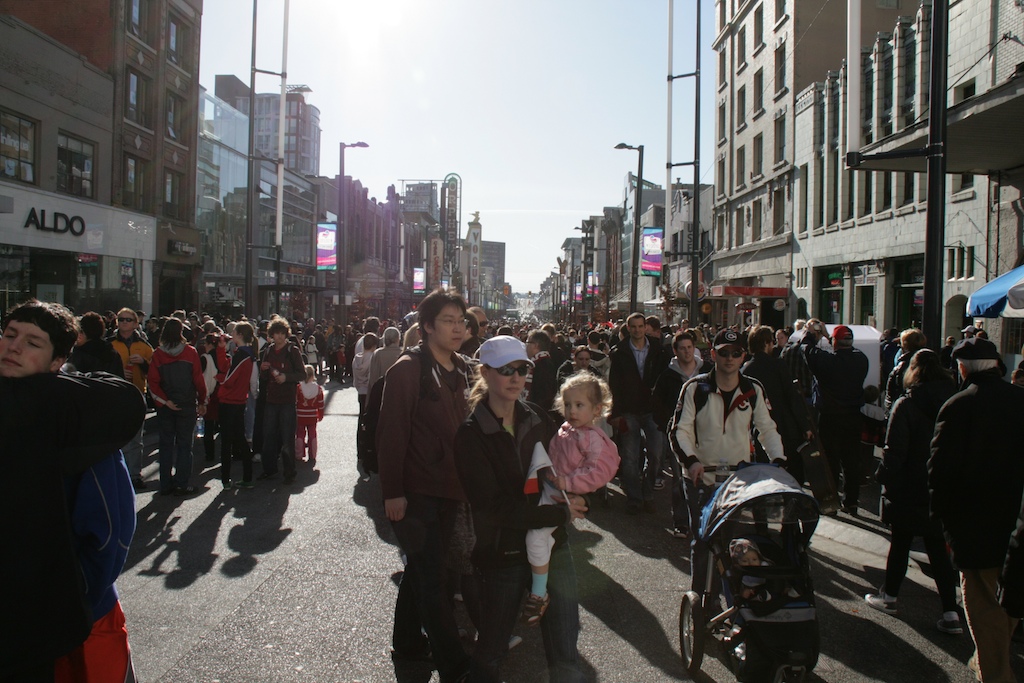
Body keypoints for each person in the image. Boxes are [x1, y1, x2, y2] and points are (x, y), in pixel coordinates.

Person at [0, 300, 146, 682]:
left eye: (33, 342)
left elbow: (111, 530)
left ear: (56, 362)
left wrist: (75, 596)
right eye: (10, 335)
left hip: (67, 617)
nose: (14, 346)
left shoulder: (83, 421)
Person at [454, 336, 588, 683]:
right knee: (492, 649)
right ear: (484, 372)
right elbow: (492, 507)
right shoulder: (470, 435)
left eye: (522, 369)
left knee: (564, 647)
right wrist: (557, 514)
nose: (516, 377)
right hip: (503, 549)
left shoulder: (537, 418)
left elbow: (554, 475)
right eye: (506, 370)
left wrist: (570, 495)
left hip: (553, 542)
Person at [377, 290, 473, 682]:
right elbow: (391, 434)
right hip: (417, 490)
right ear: (427, 326)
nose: (457, 328)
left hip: (450, 488)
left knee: (423, 571)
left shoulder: (462, 369)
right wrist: (392, 492)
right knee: (433, 578)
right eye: (448, 320)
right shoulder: (407, 369)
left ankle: (409, 644)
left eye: (461, 321)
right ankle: (455, 664)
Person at [930, 337, 1024, 682]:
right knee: (1009, 598)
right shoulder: (1020, 400)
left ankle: (994, 672)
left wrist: (941, 521)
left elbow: (940, 472)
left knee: (984, 609)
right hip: (1016, 525)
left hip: (975, 527)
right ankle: (987, 661)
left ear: (963, 368)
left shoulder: (958, 406)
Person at [669, 328, 785, 592]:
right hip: (701, 477)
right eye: (723, 353)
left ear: (743, 356)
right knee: (702, 540)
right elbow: (679, 431)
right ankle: (702, 601)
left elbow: (767, 428)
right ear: (713, 354)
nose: (729, 359)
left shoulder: (752, 389)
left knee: (733, 541)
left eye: (735, 353)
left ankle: (731, 600)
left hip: (737, 478)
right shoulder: (695, 388)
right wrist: (691, 461)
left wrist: (778, 461)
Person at [866, 349, 962, 635]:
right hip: (939, 484)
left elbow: (895, 450)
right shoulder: (955, 401)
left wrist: (882, 476)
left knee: (900, 542)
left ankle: (890, 597)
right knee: (937, 549)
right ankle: (950, 611)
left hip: (909, 483)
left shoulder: (906, 404)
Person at [522, 372, 620, 625]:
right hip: (549, 489)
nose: (572, 411)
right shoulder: (567, 429)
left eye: (579, 405)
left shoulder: (593, 438)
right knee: (537, 538)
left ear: (597, 409)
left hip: (560, 496)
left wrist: (571, 483)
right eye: (567, 405)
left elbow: (601, 470)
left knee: (536, 537)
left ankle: (538, 592)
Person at [803, 323, 868, 515]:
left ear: (835, 342)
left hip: (831, 416)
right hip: (853, 414)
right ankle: (852, 501)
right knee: (851, 460)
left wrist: (815, 335)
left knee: (830, 459)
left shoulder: (829, 361)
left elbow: (807, 350)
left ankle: (832, 501)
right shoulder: (861, 360)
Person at [653, 330, 713, 538]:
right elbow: (658, 403)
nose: (687, 352)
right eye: (682, 348)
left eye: (690, 347)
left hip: (707, 434)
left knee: (708, 479)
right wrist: (666, 425)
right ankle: (681, 521)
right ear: (675, 351)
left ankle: (705, 520)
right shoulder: (668, 375)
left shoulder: (707, 371)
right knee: (680, 479)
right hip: (680, 434)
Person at [608, 312, 670, 514]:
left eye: (640, 326)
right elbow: (614, 385)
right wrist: (615, 413)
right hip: (629, 409)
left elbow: (664, 378)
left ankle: (648, 491)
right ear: (628, 328)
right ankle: (635, 497)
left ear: (645, 327)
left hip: (652, 409)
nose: (637, 330)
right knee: (630, 455)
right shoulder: (619, 352)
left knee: (656, 452)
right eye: (633, 327)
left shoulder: (658, 349)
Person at [741, 325, 812, 479]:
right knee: (791, 472)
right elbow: (792, 396)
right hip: (785, 425)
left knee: (765, 472)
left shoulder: (746, 370)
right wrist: (805, 426)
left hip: (758, 429)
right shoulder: (777, 365)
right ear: (766, 343)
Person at [147, 317, 207, 496]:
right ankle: (181, 482)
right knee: (184, 445)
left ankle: (165, 483)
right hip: (187, 403)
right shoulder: (190, 352)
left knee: (165, 444)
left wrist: (164, 401)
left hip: (166, 405)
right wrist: (203, 400)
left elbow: (152, 382)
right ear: (182, 332)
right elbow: (198, 379)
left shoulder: (158, 354)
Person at [107, 307, 153, 492]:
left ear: (135, 323)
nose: (124, 322)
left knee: (136, 438)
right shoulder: (108, 344)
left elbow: (154, 371)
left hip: (136, 392)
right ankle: (116, 473)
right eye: (120, 319)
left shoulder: (144, 345)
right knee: (115, 436)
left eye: (127, 320)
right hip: (114, 394)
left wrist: (143, 363)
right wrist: (116, 372)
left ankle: (134, 475)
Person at [257, 316, 305, 485]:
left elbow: (302, 374)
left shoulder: (292, 351)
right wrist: (263, 370)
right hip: (271, 399)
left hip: (287, 400)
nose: (279, 337)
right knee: (268, 435)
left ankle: (289, 472)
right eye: (276, 333)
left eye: (282, 333)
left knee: (287, 437)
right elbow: (263, 376)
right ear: (271, 334)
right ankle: (269, 469)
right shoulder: (268, 350)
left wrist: (286, 377)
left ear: (286, 334)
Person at [217, 321, 259, 488]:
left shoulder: (242, 355)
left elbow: (228, 378)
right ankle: (246, 478)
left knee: (227, 441)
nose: (231, 334)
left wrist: (219, 380)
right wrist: (221, 349)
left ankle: (226, 479)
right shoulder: (244, 354)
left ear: (240, 335)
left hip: (230, 401)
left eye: (234, 332)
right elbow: (225, 367)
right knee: (239, 439)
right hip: (238, 400)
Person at [295, 365, 324, 467]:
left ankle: (299, 454)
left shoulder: (298, 388)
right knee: (312, 434)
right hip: (312, 415)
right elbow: (320, 403)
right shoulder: (318, 389)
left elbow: (295, 401)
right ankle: (312, 454)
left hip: (300, 415)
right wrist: (320, 414)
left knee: (300, 434)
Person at [524, 329, 558, 412]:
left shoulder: (543, 365)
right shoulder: (538, 362)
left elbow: (543, 396)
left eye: (527, 342)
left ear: (535, 345)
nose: (525, 346)